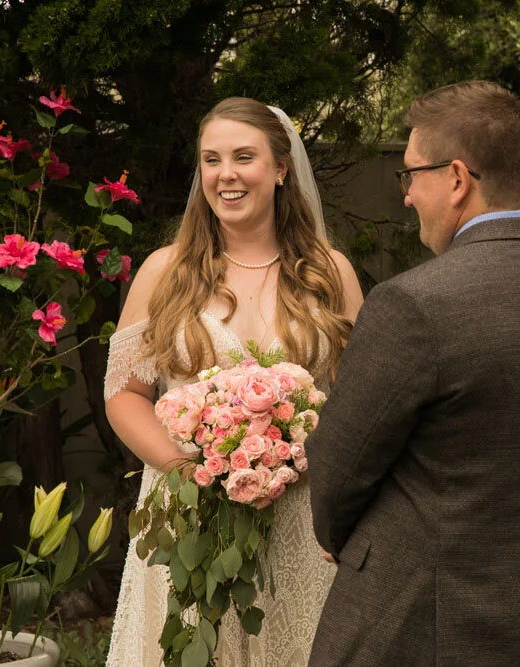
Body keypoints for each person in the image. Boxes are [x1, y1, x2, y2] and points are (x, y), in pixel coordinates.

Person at [305, 81, 520, 667]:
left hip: (417, 621)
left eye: (410, 175)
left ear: (456, 178)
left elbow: (338, 467)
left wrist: (344, 541)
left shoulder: (413, 304)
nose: (405, 197)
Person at [102, 97, 364, 666]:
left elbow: (360, 398)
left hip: (298, 513)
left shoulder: (329, 272)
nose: (226, 175)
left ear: (281, 168)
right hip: (187, 513)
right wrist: (186, 470)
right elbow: (124, 394)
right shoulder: (163, 271)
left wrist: (294, 458)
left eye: (244, 157)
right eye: (211, 160)